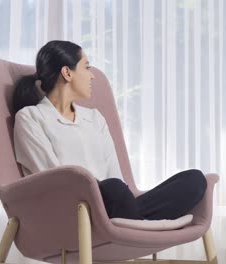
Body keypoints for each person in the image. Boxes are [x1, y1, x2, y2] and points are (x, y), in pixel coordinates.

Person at [12, 40, 207, 220]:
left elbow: (115, 175)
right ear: (67, 73)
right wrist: (103, 193)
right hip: (74, 212)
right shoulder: (30, 118)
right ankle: (139, 226)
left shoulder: (94, 118)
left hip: (115, 204)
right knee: (113, 189)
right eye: (86, 67)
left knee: (194, 180)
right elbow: (52, 179)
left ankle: (133, 225)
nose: (92, 75)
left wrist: (118, 195)